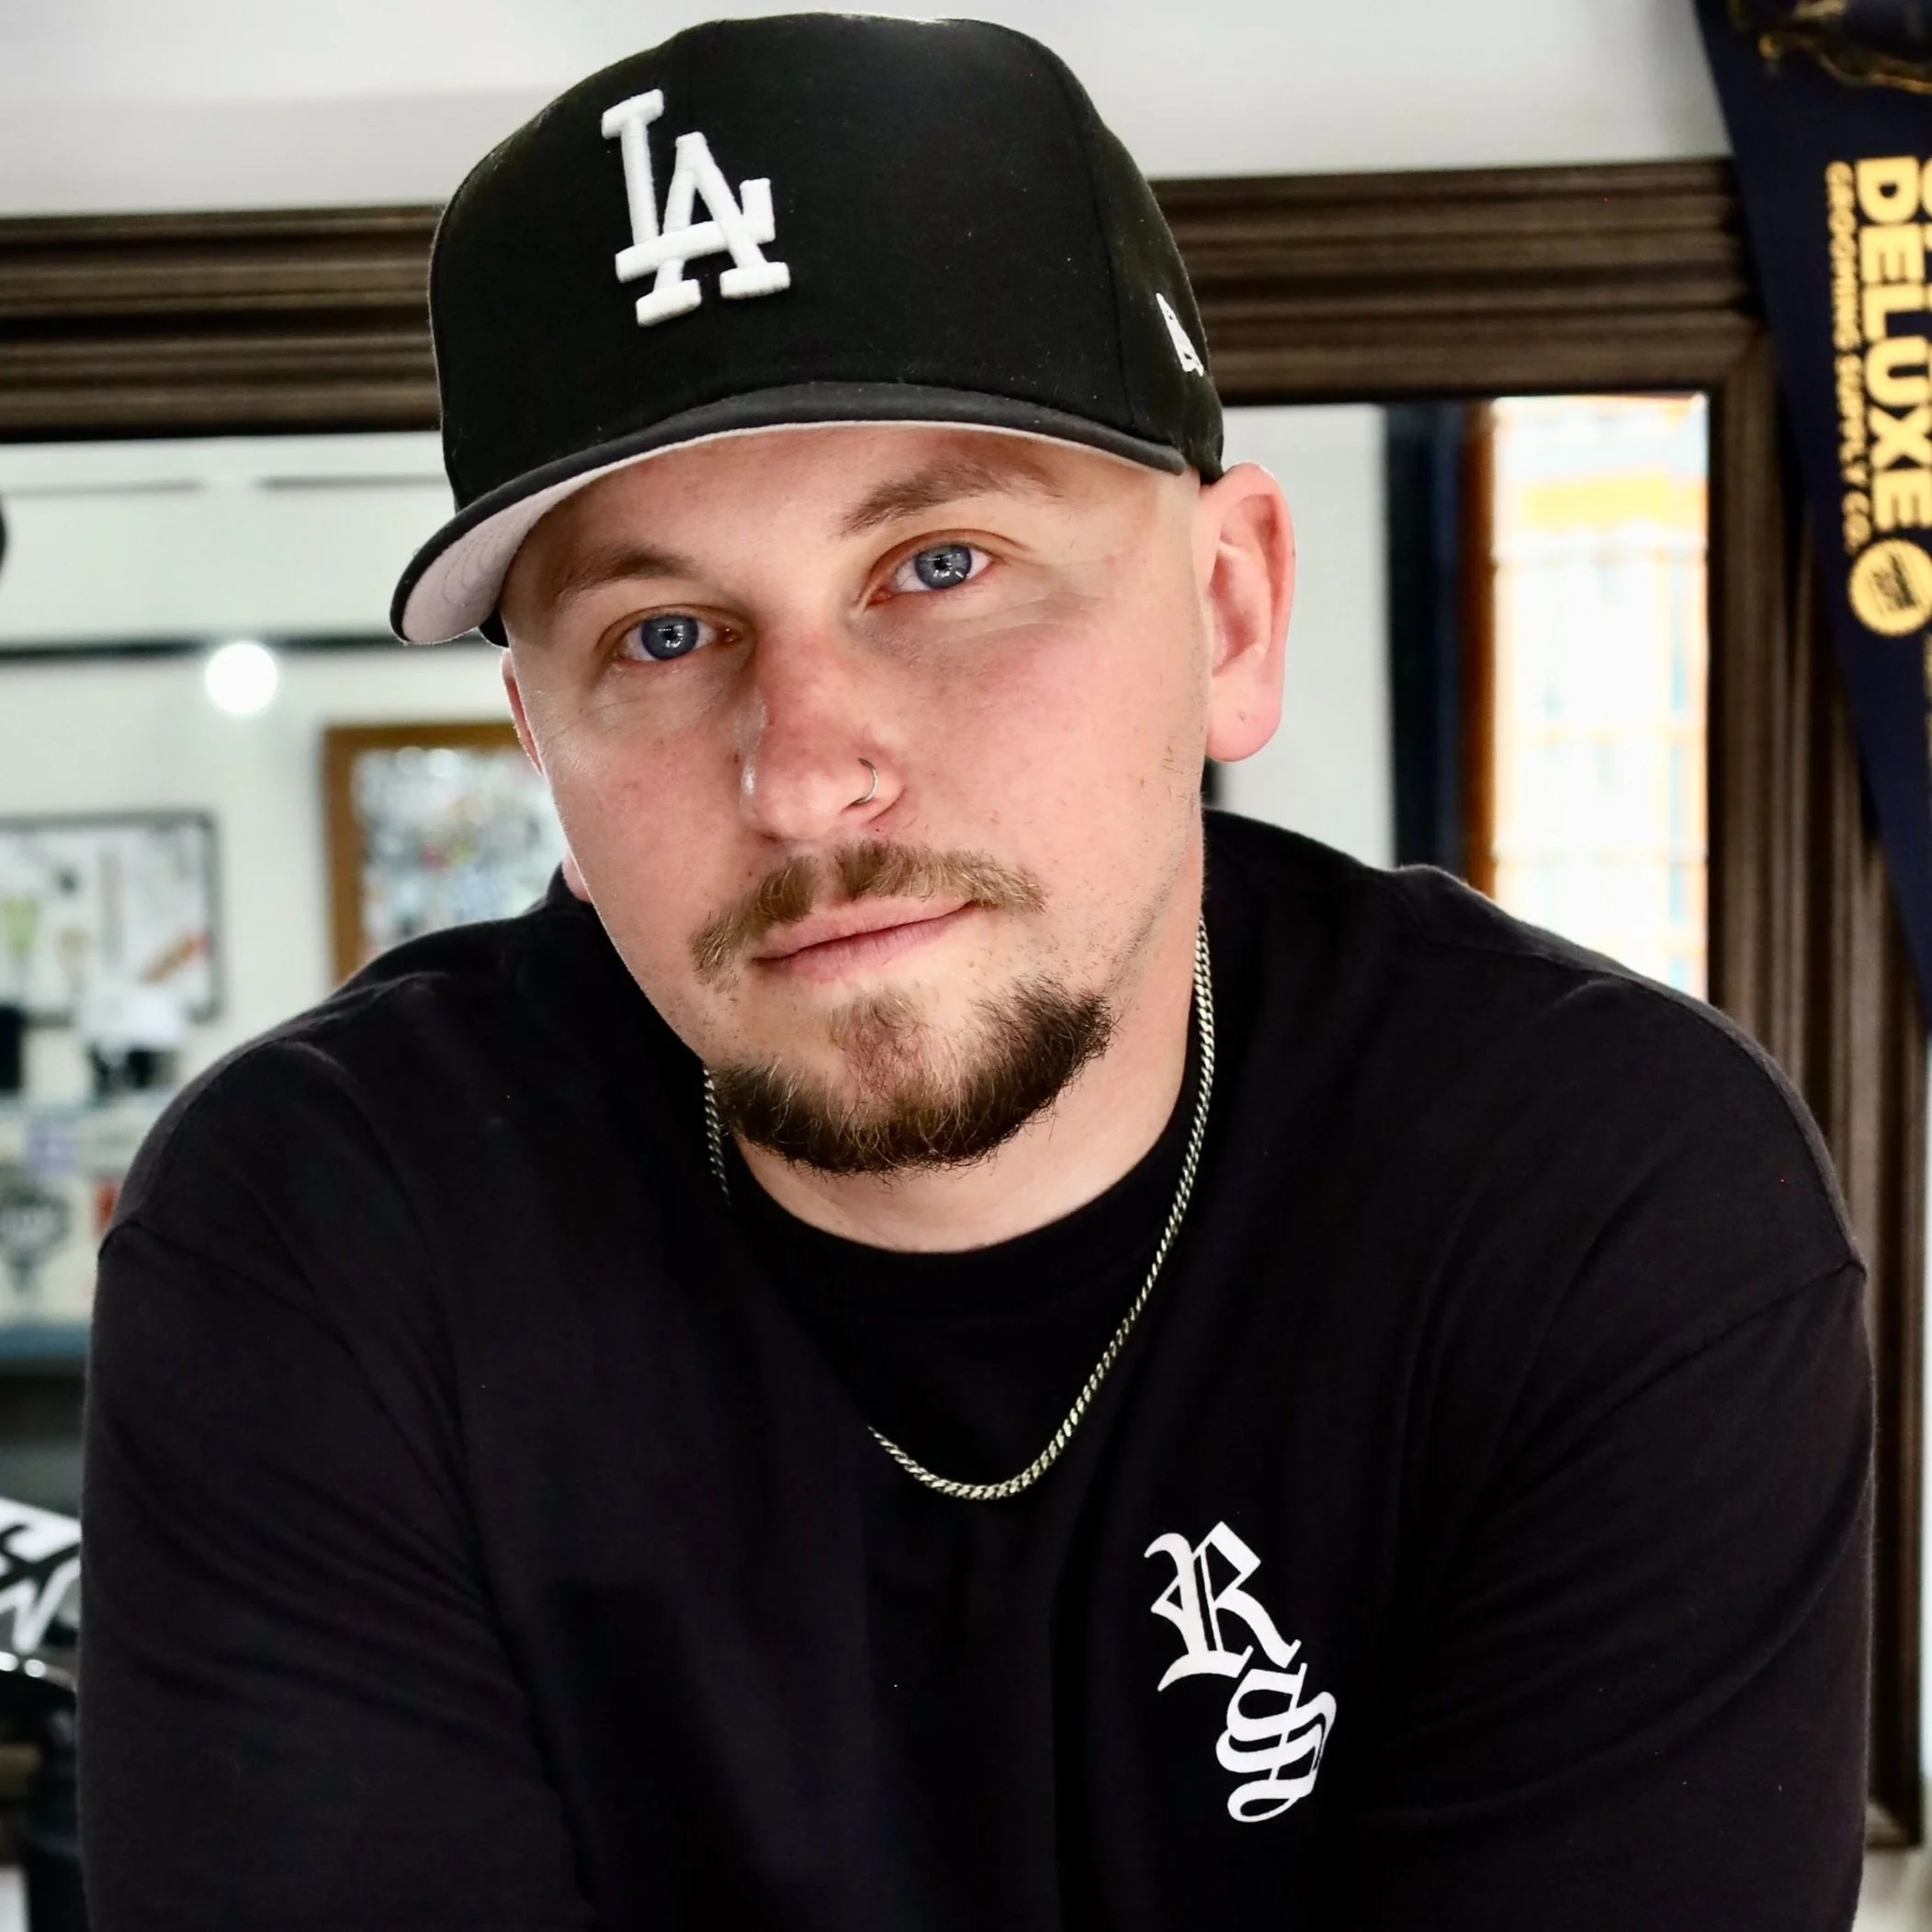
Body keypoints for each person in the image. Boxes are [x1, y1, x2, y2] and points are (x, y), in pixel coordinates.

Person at [76, 16, 1871, 1930]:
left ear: (1230, 613)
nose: (805, 767)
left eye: (939, 563)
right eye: (666, 631)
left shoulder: (1595, 1194)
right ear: (540, 743)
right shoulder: (329, 1231)